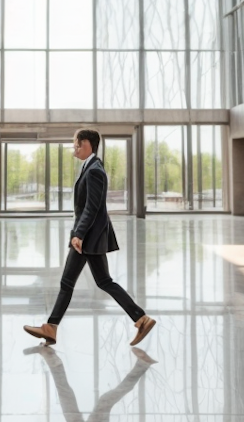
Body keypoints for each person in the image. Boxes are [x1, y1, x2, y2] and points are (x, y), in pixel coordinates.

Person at [23, 129, 154, 346]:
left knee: (71, 282)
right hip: (90, 236)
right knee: (101, 281)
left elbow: (92, 208)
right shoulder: (91, 167)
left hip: (88, 238)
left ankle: (52, 327)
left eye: (75, 144)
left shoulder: (94, 171)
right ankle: (140, 318)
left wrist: (79, 234)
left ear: (86, 144)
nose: (73, 148)